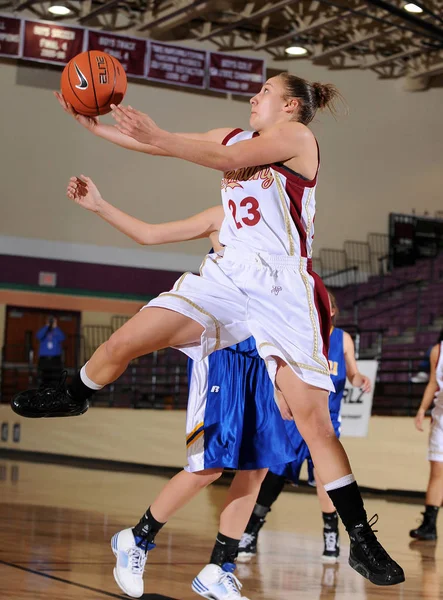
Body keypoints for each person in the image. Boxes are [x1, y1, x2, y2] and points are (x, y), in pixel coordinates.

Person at [12, 73, 404, 587]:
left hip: (281, 284)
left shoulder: (297, 139)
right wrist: (96, 128)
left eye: (263, 92)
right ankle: (75, 393)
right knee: (129, 338)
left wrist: (158, 137)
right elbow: (165, 147)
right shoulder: (232, 136)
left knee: (314, 423)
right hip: (229, 274)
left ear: (289, 106)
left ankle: (360, 539)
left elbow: (215, 159)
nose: (252, 97)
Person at [238, 292, 371, 564]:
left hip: (328, 419)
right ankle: (251, 530)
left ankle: (330, 535)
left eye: (325, 306)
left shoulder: (342, 338)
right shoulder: (302, 333)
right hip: (298, 418)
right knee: (275, 474)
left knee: (326, 477)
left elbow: (353, 372)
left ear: (332, 311)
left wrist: (358, 379)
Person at [410, 330, 443, 541]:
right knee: (437, 470)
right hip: (441, 418)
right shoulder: (438, 351)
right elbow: (433, 382)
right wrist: (423, 408)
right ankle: (429, 525)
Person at [36, 316, 65, 386]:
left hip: (55, 360)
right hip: (44, 360)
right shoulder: (44, 331)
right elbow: (38, 336)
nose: (51, 322)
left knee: (56, 380)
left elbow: (62, 337)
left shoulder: (56, 331)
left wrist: (55, 326)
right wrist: (47, 326)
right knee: (43, 380)